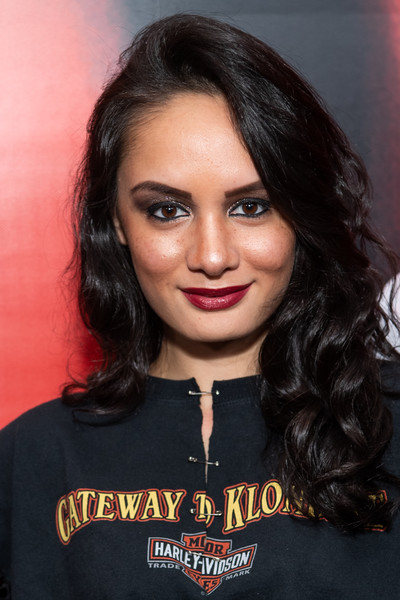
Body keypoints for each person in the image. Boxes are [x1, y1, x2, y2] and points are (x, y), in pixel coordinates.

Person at [1, 13, 400, 599]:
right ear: (117, 222)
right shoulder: (32, 457)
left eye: (251, 207)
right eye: (168, 210)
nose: (212, 257)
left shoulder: (389, 423)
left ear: (301, 214)